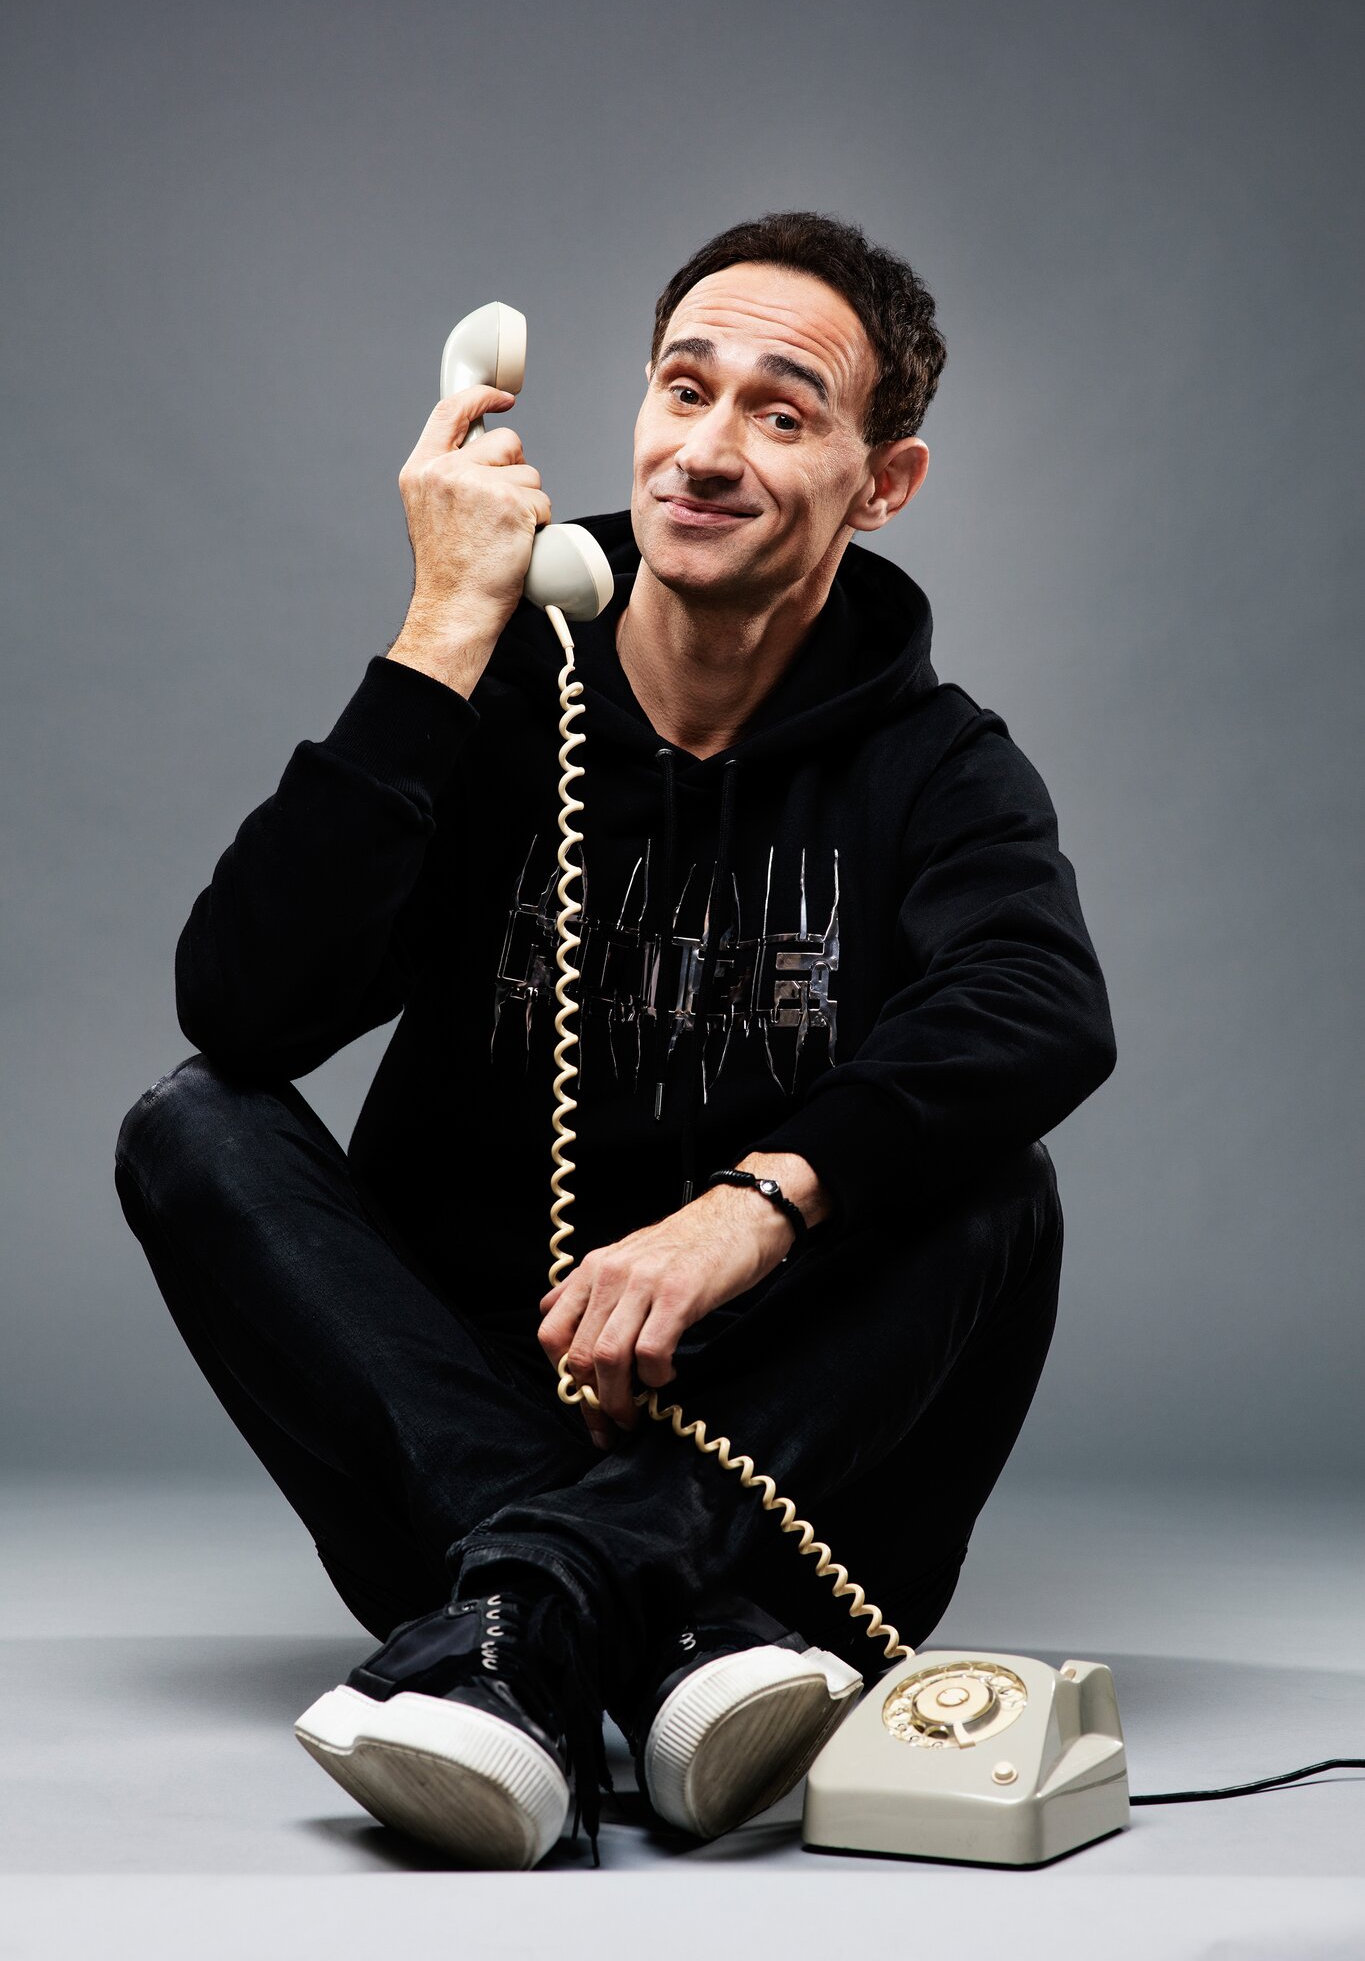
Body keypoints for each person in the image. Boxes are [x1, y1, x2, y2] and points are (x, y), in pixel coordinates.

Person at [114, 209, 1117, 1870]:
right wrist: (445, 627)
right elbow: (244, 1008)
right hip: (462, 1452)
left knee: (997, 1182)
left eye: (781, 413)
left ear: (882, 483)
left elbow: (1037, 1005)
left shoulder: (938, 766)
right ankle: (624, 1623)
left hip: (788, 1496)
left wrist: (750, 1209)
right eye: (683, 388)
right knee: (190, 1125)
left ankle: (528, 1620)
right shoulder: (498, 693)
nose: (706, 452)